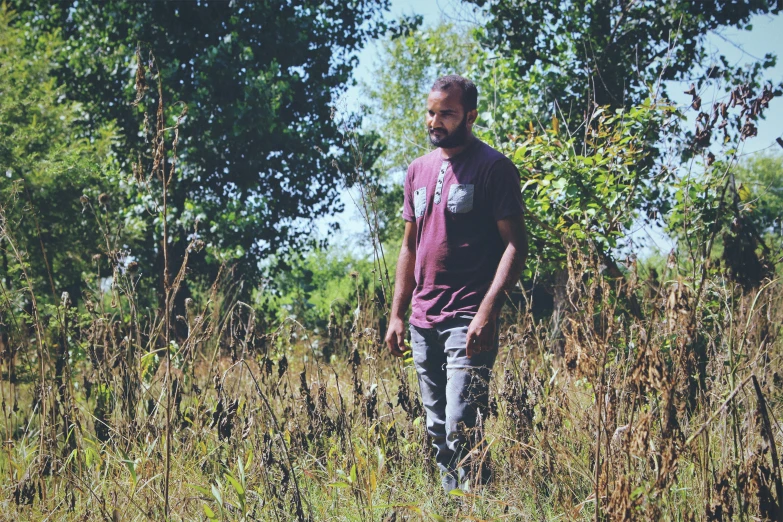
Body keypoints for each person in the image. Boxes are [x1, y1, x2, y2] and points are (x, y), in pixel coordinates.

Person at [385, 74, 528, 493]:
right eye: (431, 112)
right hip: (422, 318)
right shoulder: (417, 171)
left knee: (461, 423)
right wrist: (397, 314)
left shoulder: (494, 168)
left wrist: (487, 312)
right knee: (434, 427)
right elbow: (408, 247)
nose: (435, 121)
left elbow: (516, 246)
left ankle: (477, 505)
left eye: (446, 113)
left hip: (468, 316)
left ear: (470, 116)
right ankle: (452, 505)